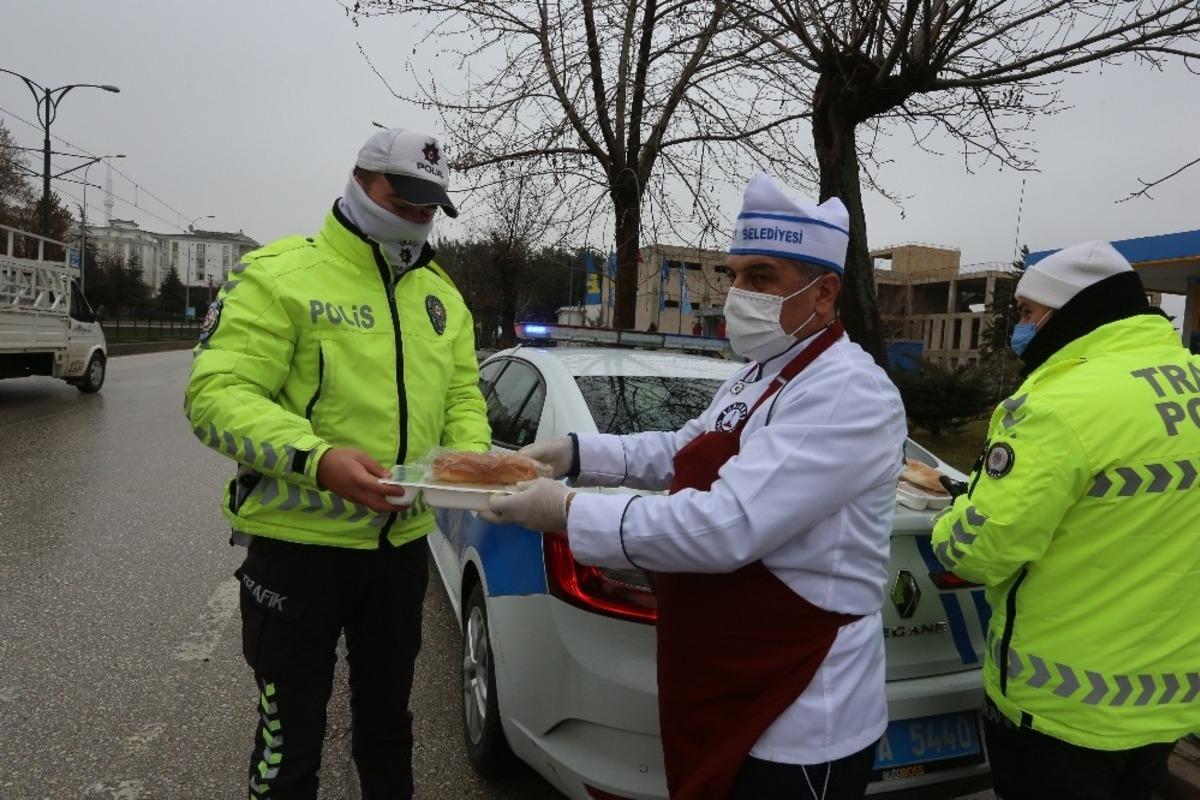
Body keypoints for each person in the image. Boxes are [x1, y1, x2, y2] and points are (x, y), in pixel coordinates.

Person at [485, 173, 907, 800]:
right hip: (726, 679)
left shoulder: (846, 391)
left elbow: (725, 527)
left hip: (796, 704)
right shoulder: (758, 375)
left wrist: (567, 511)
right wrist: (575, 452)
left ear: (824, 295)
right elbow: (682, 449)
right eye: (734, 275)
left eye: (762, 278)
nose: (739, 293)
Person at [184, 128, 489, 800]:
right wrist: (317, 461)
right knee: (288, 744)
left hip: (399, 552)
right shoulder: (279, 275)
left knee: (388, 726)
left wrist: (466, 461)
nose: (414, 217)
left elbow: (463, 396)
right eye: (401, 200)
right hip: (297, 554)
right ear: (358, 181)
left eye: (427, 207)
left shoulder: (442, 298)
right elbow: (216, 397)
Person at [931, 241, 1200, 800]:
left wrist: (955, 510)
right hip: (1169, 702)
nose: (1020, 329)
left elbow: (978, 552)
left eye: (1028, 314)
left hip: (1059, 708)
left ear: (1073, 312)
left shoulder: (1060, 405)